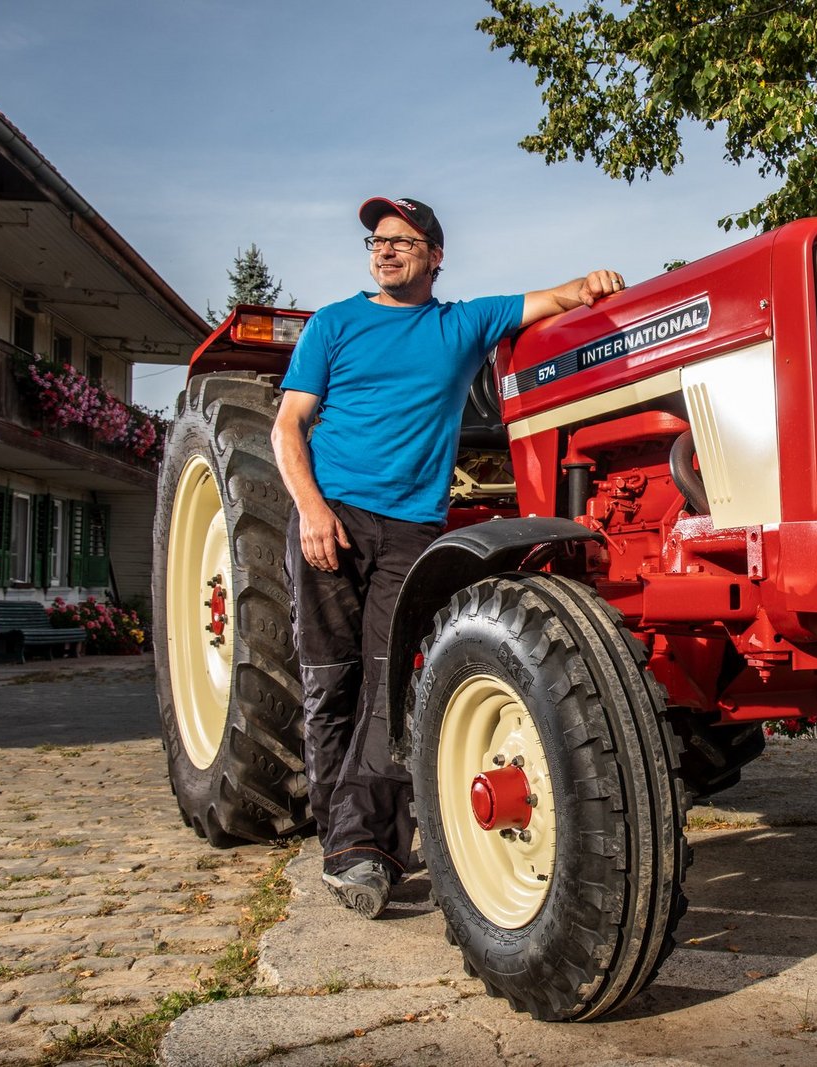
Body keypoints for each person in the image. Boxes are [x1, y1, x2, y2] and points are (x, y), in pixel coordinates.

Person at [271, 195, 625, 918]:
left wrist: (592, 284)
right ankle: (341, 832)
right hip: (330, 517)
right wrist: (310, 509)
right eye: (378, 239)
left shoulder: (461, 323)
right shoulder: (335, 324)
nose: (387, 249)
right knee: (331, 682)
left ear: (435, 256)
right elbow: (288, 427)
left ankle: (362, 849)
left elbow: (548, 299)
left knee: (389, 687)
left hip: (409, 530)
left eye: (404, 240)